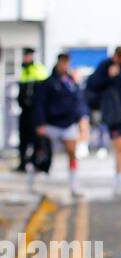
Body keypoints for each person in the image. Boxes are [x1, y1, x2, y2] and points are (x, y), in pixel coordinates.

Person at [85, 46, 121, 195]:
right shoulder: (105, 66)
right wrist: (108, 76)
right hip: (114, 115)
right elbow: (92, 85)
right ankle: (120, 180)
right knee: (120, 147)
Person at [33, 53, 89, 199]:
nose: (65, 66)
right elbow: (40, 104)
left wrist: (81, 120)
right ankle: (35, 181)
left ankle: (73, 185)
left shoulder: (71, 82)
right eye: (63, 63)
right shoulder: (49, 83)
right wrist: (40, 123)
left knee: (72, 153)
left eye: (67, 63)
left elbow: (78, 102)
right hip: (51, 124)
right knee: (41, 153)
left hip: (68, 124)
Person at [14, 47, 48, 172]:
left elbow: (43, 93)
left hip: (35, 110)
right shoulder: (23, 71)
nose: (26, 58)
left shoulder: (39, 70)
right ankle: (22, 163)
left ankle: (35, 163)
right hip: (25, 110)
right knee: (23, 137)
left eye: (28, 55)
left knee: (36, 138)